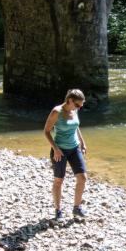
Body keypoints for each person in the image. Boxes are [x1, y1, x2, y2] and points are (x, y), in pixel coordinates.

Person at [44, 88, 88, 221]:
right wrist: (55, 149)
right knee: (59, 180)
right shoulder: (56, 111)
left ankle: (77, 207)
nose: (79, 108)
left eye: (81, 105)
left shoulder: (74, 110)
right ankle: (58, 210)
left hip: (74, 148)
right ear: (69, 100)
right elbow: (46, 131)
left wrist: (82, 142)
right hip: (60, 151)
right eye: (77, 105)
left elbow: (75, 126)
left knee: (82, 177)